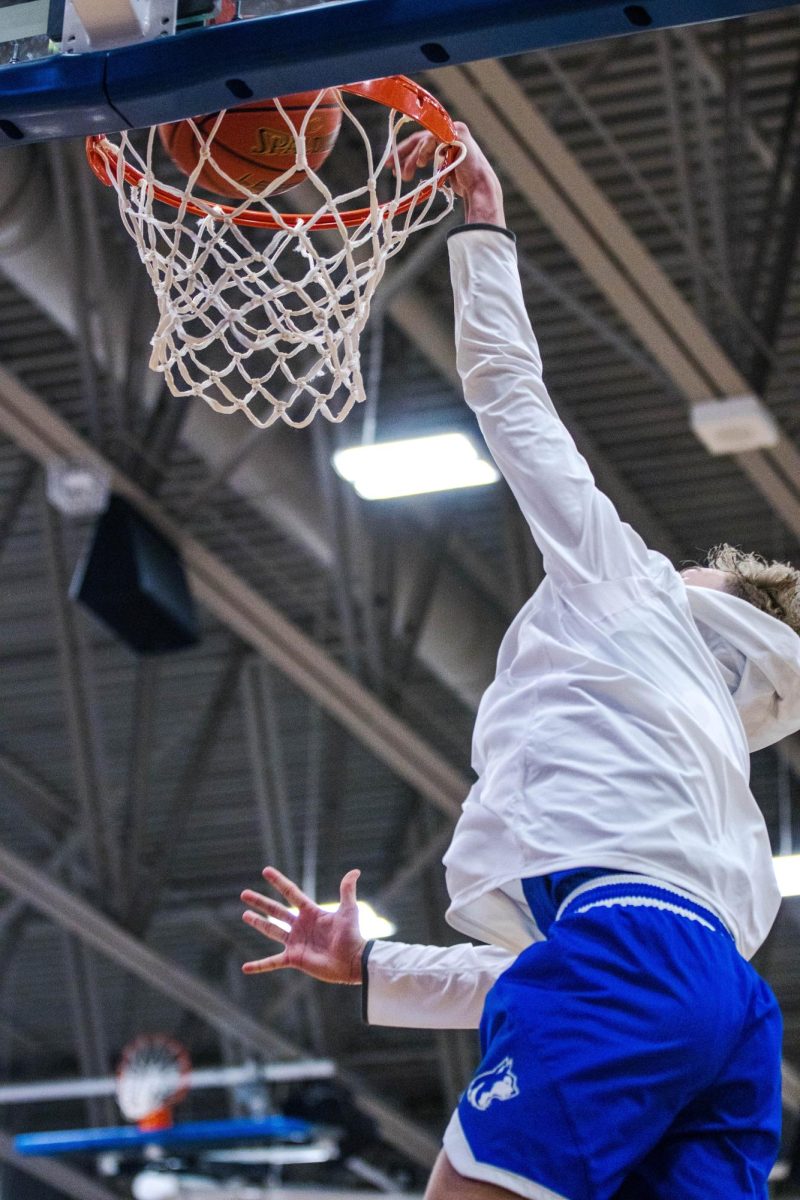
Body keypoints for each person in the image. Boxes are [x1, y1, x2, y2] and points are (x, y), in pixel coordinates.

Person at [240, 125, 800, 1200]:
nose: (666, 562)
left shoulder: (631, 589)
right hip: (734, 1012)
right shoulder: (706, 802)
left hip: (628, 967)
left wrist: (482, 226)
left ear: (709, 611)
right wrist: (370, 966)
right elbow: (551, 976)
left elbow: (510, 398)